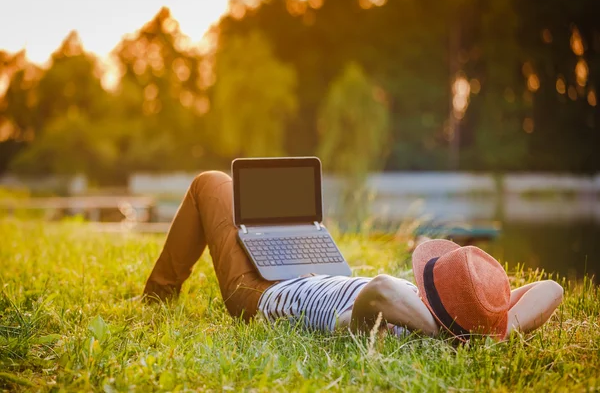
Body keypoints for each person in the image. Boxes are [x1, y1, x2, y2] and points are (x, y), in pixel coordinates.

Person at [143, 171, 564, 340]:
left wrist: (444, 335)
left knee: (209, 183)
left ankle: (157, 296)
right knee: (256, 212)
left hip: (260, 294)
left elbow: (379, 291)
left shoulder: (389, 325)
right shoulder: (468, 320)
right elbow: (552, 288)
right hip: (316, 271)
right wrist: (499, 326)